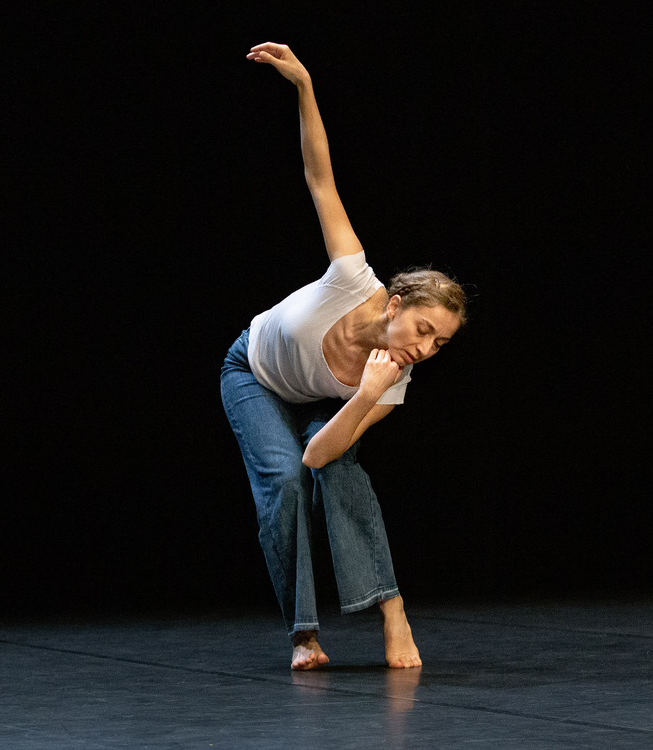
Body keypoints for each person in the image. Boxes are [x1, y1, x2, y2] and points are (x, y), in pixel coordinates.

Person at [221, 42, 467, 671]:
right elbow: (319, 177)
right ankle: (304, 636)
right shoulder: (353, 276)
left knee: (336, 470)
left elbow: (320, 455)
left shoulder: (394, 380)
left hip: (322, 406)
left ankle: (392, 609)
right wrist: (305, 87)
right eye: (422, 329)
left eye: (439, 344)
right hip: (253, 374)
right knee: (282, 483)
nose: (424, 349)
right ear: (396, 303)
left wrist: (367, 394)